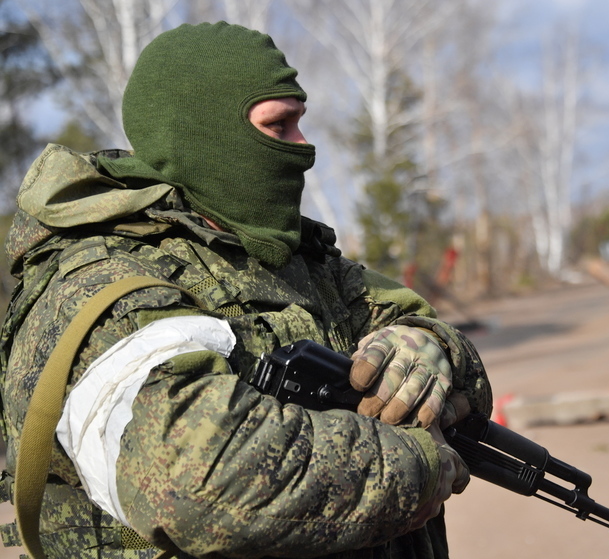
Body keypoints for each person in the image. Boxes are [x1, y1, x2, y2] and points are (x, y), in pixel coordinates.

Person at [0, 22, 492, 558]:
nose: (304, 148)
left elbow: (433, 345)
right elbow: (201, 483)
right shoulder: (100, 280)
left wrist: (432, 349)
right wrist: (420, 467)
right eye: (279, 128)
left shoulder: (296, 262)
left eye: (300, 124)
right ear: (206, 134)